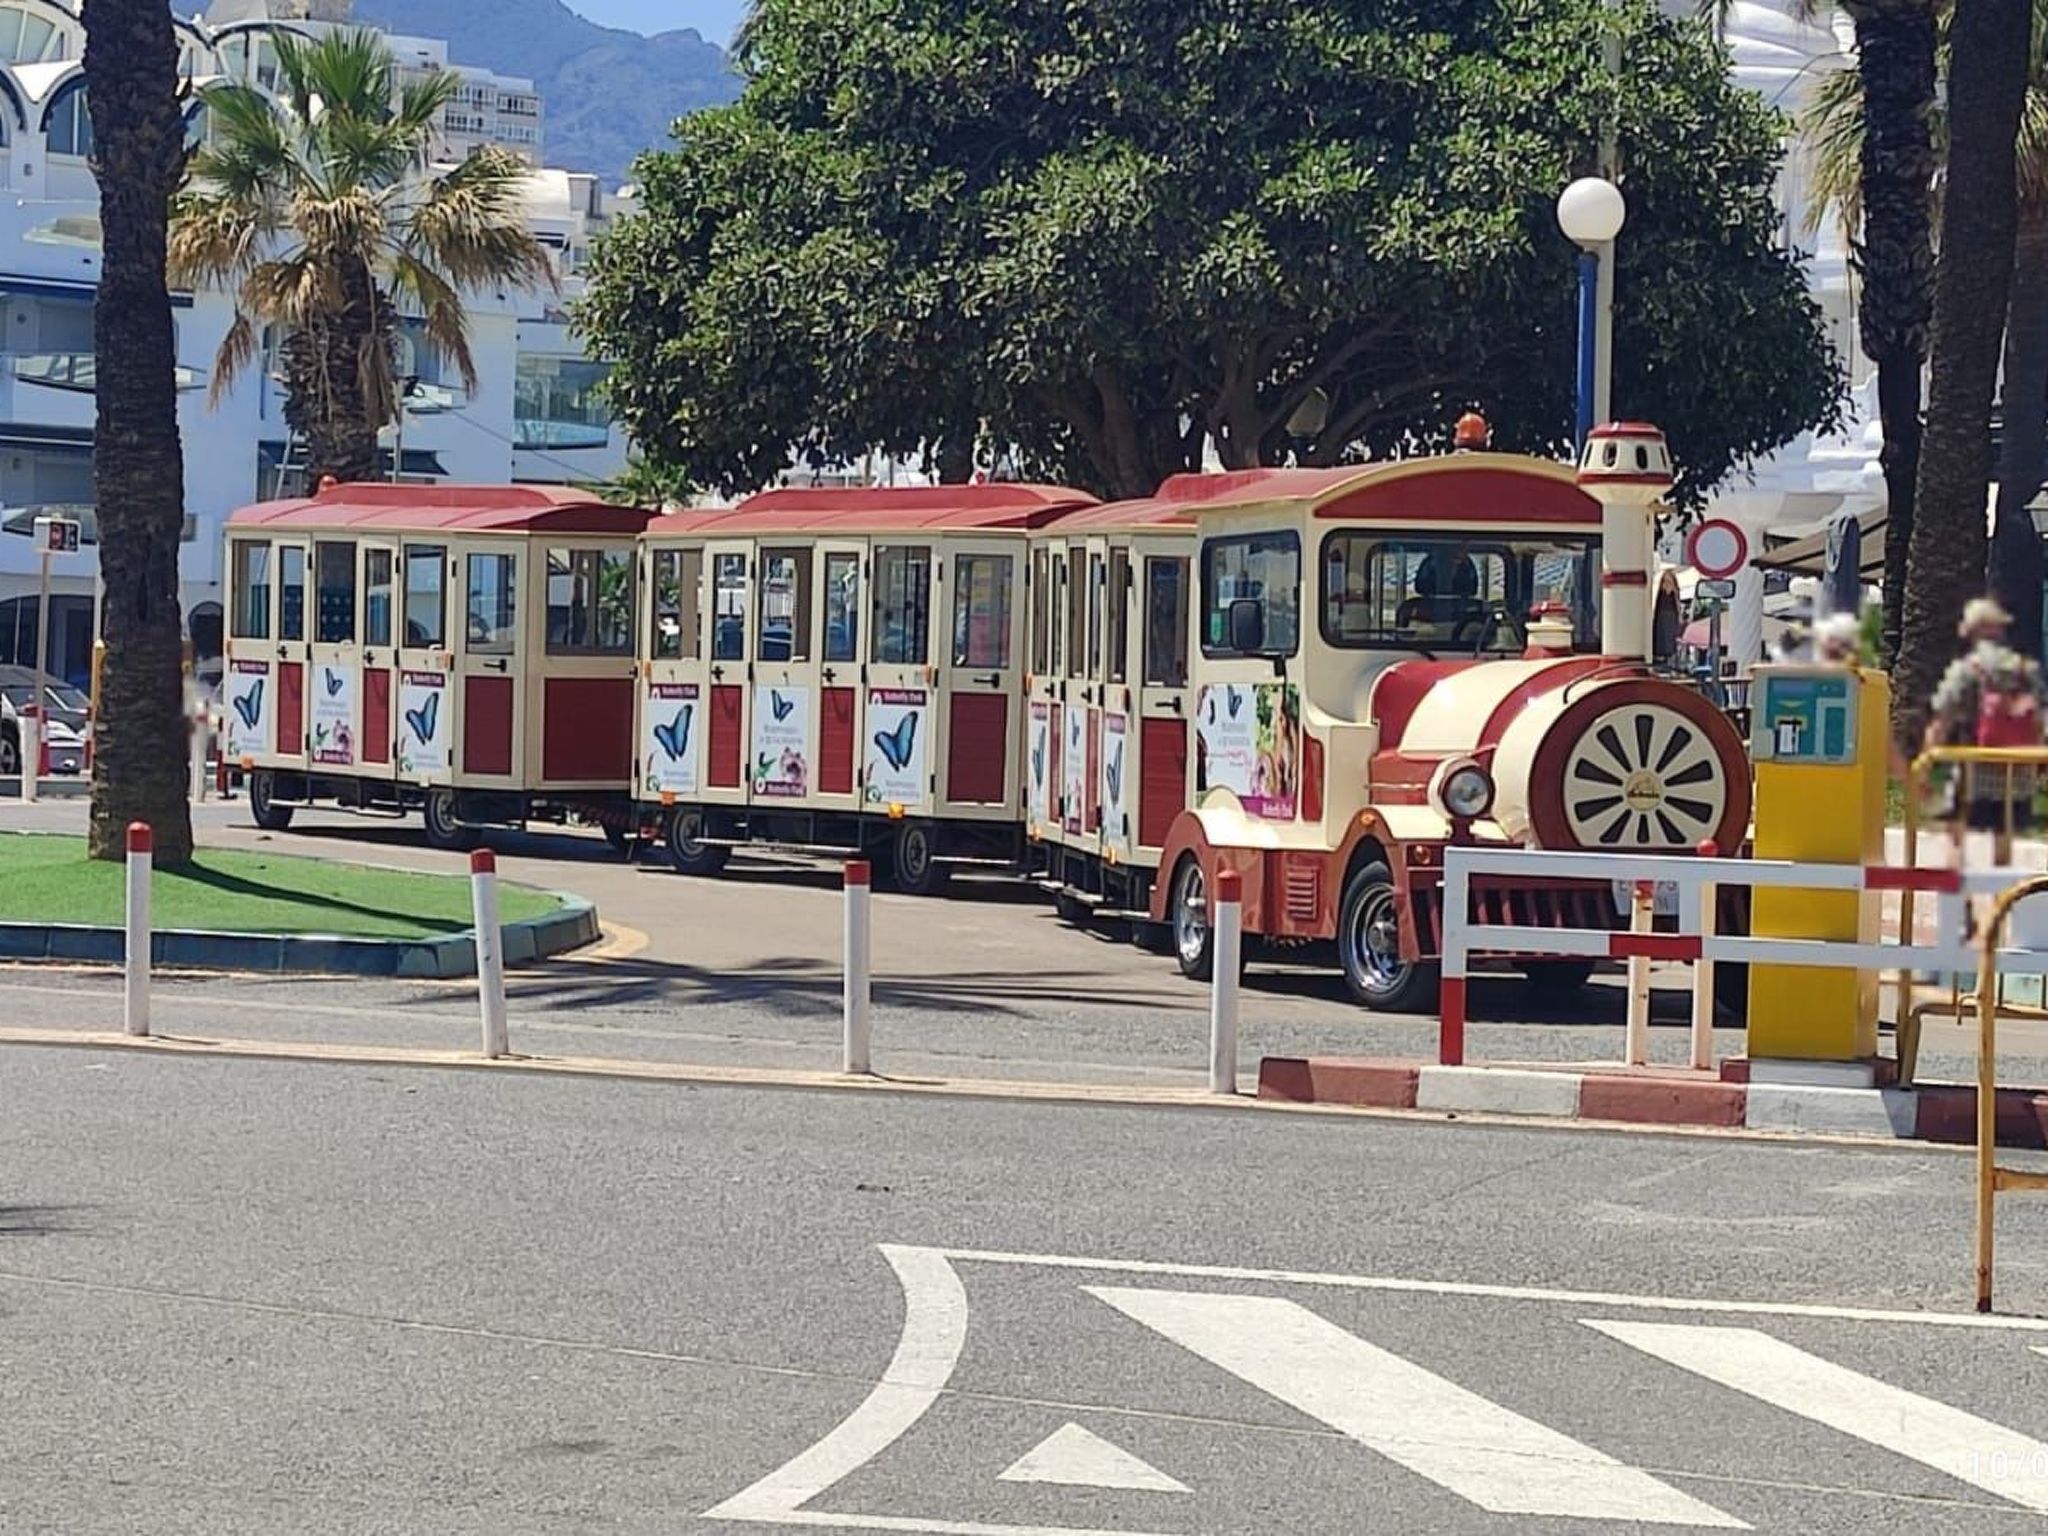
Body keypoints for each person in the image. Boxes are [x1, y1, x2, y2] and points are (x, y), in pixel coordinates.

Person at [1926, 597, 2047, 859]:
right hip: (2017, 771)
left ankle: (1958, 883)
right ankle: (2002, 884)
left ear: (1972, 629)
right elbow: (2040, 719)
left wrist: (1925, 762)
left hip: (1973, 770)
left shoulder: (1967, 669)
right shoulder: (2025, 668)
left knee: (1955, 831)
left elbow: (1942, 717)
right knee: (2004, 833)